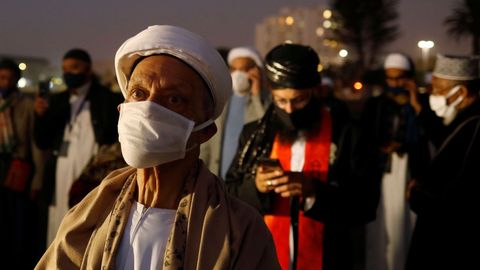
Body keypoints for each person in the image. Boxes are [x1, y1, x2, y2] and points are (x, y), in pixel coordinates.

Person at [35, 25, 280, 270]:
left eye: (174, 99)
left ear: (205, 131)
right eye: (138, 93)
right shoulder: (88, 217)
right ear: (122, 109)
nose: (148, 109)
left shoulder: (239, 233)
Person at [225, 43, 380, 270]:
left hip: (328, 257)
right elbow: (230, 194)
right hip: (263, 258)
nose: (289, 110)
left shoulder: (347, 133)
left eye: (299, 100)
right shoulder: (255, 135)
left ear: (315, 91)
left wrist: (314, 192)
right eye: (280, 101)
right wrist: (256, 186)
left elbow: (365, 207)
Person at [33, 48, 123, 244]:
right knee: (60, 221)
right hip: (60, 173)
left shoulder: (107, 99)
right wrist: (40, 116)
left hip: (90, 171)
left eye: (74, 68)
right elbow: (42, 142)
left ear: (88, 70)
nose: (69, 73)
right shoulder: (57, 101)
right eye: (65, 68)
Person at [406, 54, 480, 270]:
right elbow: (444, 138)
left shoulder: (475, 125)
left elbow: (461, 195)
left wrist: (418, 195)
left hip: (450, 238)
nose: (433, 95)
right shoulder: (463, 117)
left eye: (438, 89)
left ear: (462, 92)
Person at [360, 53, 431, 270]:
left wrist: (415, 102)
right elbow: (364, 136)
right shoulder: (376, 103)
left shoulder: (421, 103)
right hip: (381, 171)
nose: (396, 83)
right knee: (381, 225)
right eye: (391, 78)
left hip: (409, 171)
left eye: (400, 78)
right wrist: (381, 147)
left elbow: (427, 134)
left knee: (406, 223)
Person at [0, 58, 47, 269]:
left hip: (18, 170)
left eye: (10, 78)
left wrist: (37, 180)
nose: (5, 82)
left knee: (16, 221)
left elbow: (36, 145)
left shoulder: (27, 105)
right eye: (2, 77)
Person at [200, 46, 269, 179]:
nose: (238, 74)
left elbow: (265, 130)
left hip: (245, 181)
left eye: (244, 69)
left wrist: (256, 95)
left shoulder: (264, 101)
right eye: (234, 69)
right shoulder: (221, 100)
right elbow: (207, 144)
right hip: (217, 178)